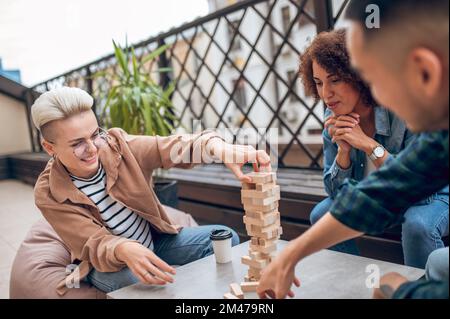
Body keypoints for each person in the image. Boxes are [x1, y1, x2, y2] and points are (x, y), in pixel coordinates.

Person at [257, 0, 449, 299]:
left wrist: (400, 291)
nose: (376, 96)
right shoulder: (440, 136)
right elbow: (388, 190)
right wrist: (291, 254)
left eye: (374, 79)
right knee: (437, 263)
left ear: (425, 70)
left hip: (431, 204)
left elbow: (408, 190)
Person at [31, 87, 271, 295]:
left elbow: (169, 147)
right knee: (145, 288)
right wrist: (124, 248)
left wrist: (217, 148)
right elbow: (94, 243)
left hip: (156, 241)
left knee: (224, 239)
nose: (93, 148)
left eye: (95, 134)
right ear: (50, 147)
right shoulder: (48, 193)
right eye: (78, 143)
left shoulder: (117, 144)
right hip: (109, 266)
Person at [299, 29, 448, 267]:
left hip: (435, 195)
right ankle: (357, 288)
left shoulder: (400, 107)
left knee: (418, 225)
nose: (326, 94)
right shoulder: (333, 115)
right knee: (321, 214)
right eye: (318, 83)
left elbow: (419, 188)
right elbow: (336, 195)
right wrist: (343, 154)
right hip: (380, 196)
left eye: (335, 79)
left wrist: (369, 145)